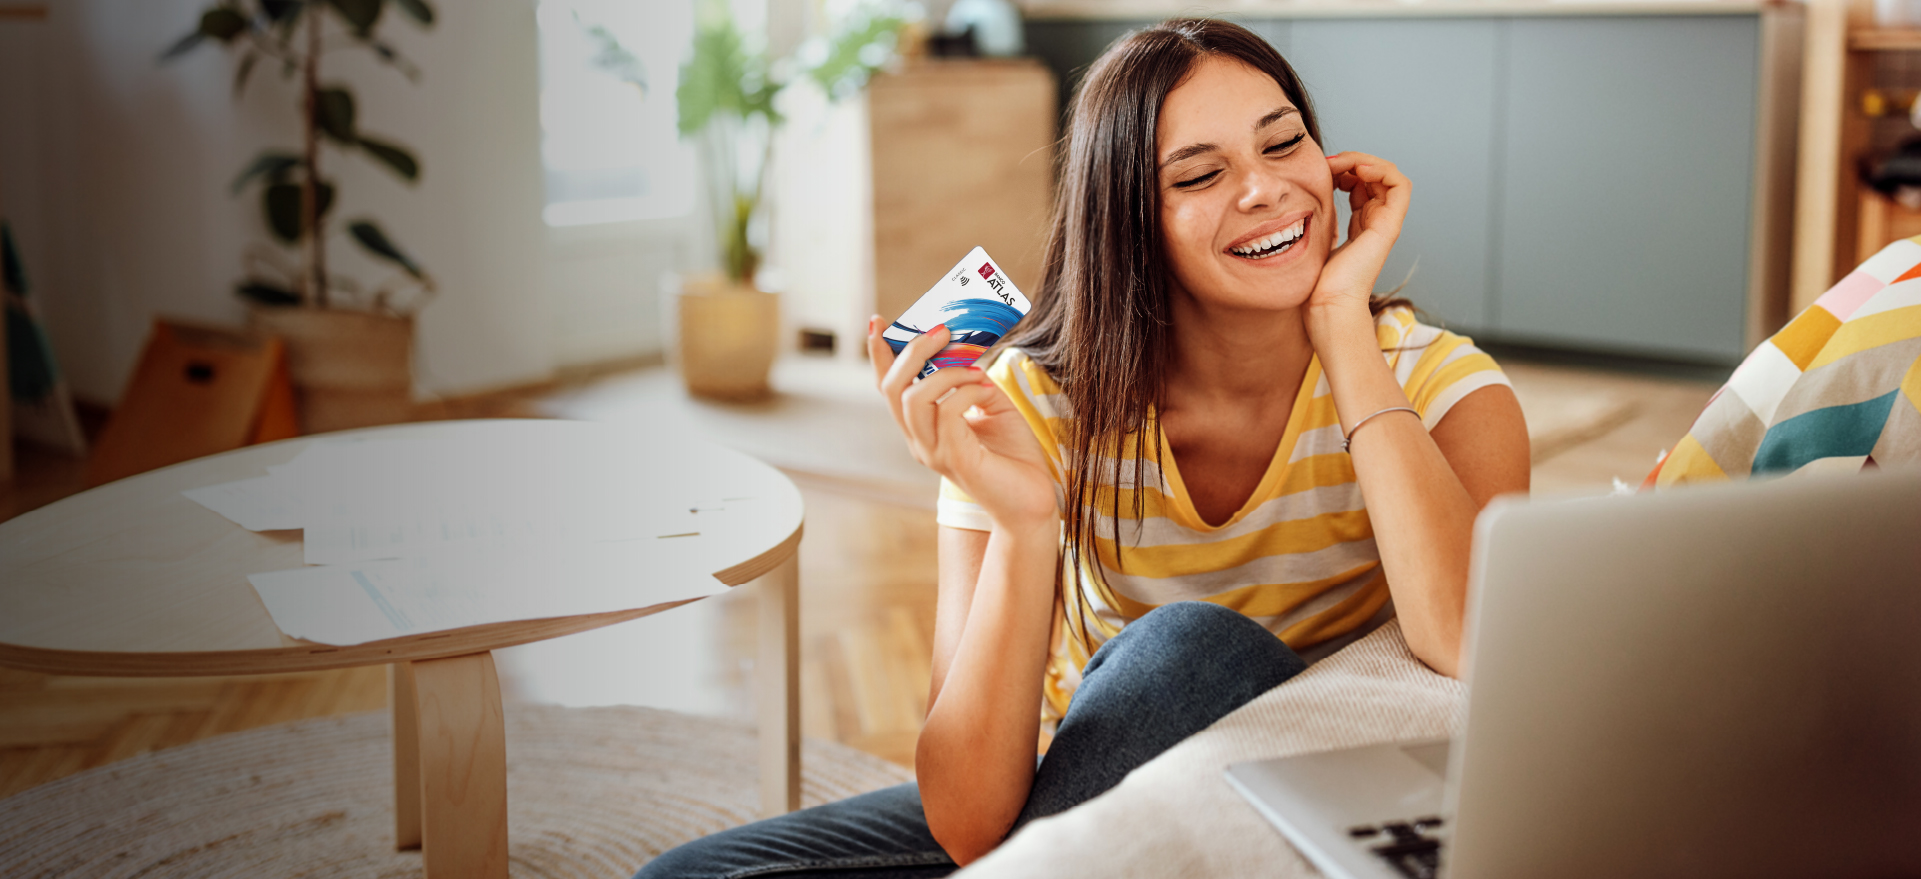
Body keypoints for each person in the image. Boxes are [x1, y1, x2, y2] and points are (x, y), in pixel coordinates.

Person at [636, 17, 1529, 878]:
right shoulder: (1031, 404)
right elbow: (970, 823)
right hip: (1094, 792)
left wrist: (1342, 328)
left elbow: (1469, 641)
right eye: (1198, 175)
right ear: (1129, 221)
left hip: (1314, 811)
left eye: (1282, 142)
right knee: (689, 874)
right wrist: (1025, 524)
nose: (1263, 189)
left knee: (1198, 648)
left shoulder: (1441, 387)